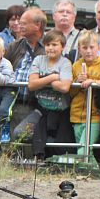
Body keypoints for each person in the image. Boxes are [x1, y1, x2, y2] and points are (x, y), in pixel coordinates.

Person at [28, 29, 73, 159]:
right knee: (22, 132)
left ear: (62, 47)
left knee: (58, 142)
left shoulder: (65, 63)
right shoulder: (39, 60)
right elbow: (32, 84)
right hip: (41, 108)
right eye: (48, 45)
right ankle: (39, 160)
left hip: (60, 110)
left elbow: (65, 87)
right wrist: (53, 77)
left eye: (54, 44)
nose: (50, 48)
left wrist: (43, 81)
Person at [69, 30, 100, 158]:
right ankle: (97, 176)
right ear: (79, 49)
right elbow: (71, 93)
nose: (88, 51)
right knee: (85, 152)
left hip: (94, 115)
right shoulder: (76, 66)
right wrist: (77, 81)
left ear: (99, 47)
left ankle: (95, 176)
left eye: (92, 47)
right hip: (76, 114)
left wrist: (95, 82)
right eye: (84, 48)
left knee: (83, 151)